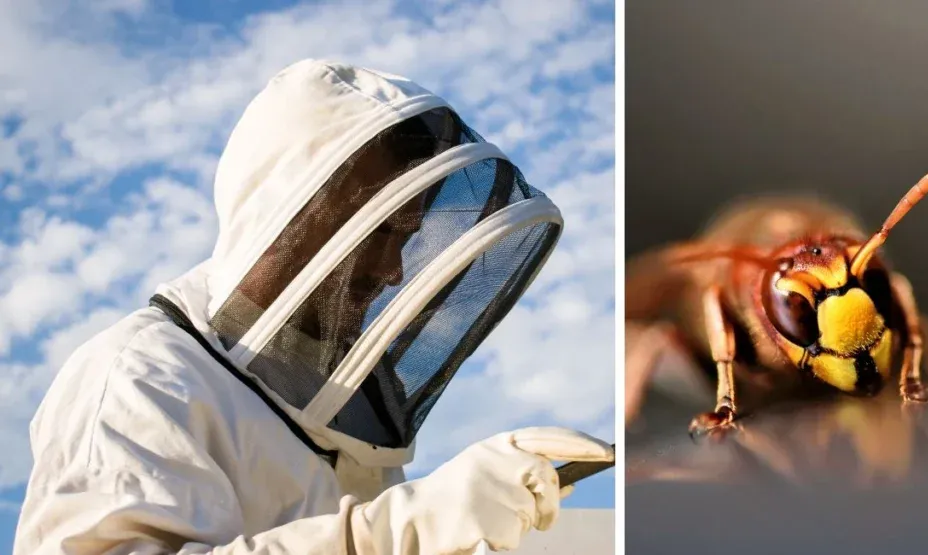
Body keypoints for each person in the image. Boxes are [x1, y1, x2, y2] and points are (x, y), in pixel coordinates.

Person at [13, 59, 613, 555]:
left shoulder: (348, 427)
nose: (394, 272)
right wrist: (391, 533)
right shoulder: (141, 379)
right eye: (384, 233)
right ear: (295, 213)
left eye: (406, 239)